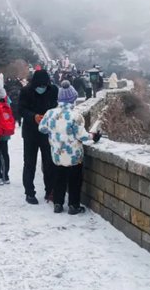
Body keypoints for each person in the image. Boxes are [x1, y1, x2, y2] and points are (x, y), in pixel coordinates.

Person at [39, 81, 101, 214]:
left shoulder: (50, 113)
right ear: (72, 100)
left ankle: (58, 203)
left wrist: (54, 131)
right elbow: (82, 136)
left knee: (58, 179)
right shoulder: (75, 116)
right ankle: (73, 206)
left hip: (57, 155)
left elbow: (42, 128)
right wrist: (93, 136)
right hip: (74, 156)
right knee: (74, 181)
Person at [19, 68, 58, 204]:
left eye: (44, 85)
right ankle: (29, 192)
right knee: (29, 163)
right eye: (39, 86)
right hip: (30, 132)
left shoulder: (53, 90)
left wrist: (48, 117)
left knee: (49, 163)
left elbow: (55, 107)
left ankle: (50, 190)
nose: (42, 88)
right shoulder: (26, 91)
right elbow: (21, 109)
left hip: (47, 132)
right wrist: (33, 116)